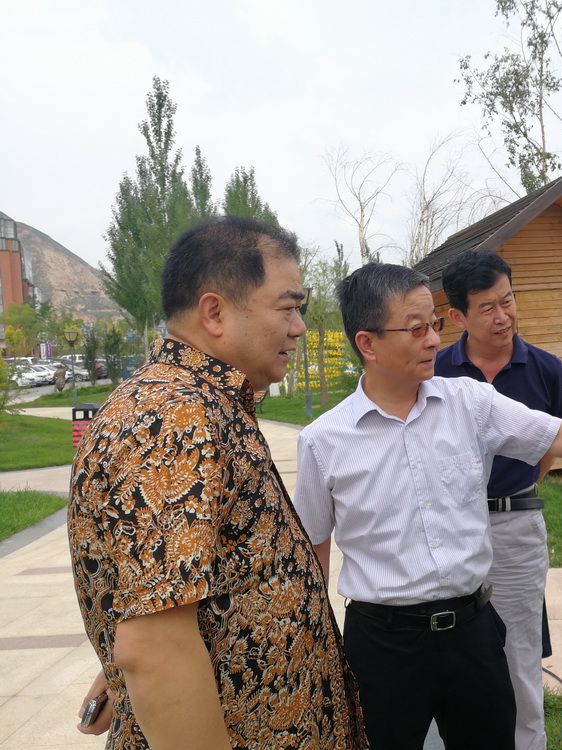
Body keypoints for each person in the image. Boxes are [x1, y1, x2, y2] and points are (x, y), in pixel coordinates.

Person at [293, 262, 562, 750]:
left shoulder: (470, 402)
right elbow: (313, 548)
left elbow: (558, 433)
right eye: (416, 329)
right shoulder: (324, 441)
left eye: (433, 325)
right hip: (383, 644)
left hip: (473, 634)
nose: (433, 340)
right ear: (368, 344)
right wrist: (316, 644)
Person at [67, 216, 367, 749]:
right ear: (214, 312)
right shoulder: (173, 418)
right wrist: (145, 670)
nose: (299, 326)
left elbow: (168, 598)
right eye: (288, 307)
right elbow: (155, 649)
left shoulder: (201, 403)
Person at [435, 249, 562, 750]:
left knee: (520, 654)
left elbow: (553, 442)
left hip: (515, 527)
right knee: (447, 652)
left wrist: (519, 485)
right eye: (487, 307)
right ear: (458, 316)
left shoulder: (545, 368)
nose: (503, 315)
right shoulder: (436, 371)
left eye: (508, 300)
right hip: (449, 528)